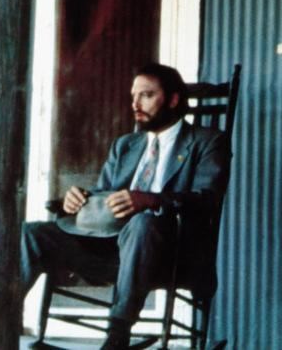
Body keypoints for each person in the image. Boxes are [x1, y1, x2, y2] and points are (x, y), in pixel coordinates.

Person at [21, 63, 231, 350]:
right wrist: (78, 199)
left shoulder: (207, 142)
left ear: (172, 100)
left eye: (146, 95)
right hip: (109, 251)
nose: (135, 104)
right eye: (133, 95)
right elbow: (105, 193)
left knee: (143, 222)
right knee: (31, 233)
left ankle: (117, 336)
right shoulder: (126, 145)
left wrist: (151, 199)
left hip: (170, 256)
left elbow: (207, 199)